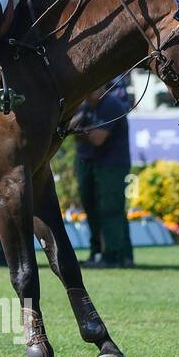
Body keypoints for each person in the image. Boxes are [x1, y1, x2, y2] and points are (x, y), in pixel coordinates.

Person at [72, 83, 134, 268]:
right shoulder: (85, 107)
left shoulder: (111, 104)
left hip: (111, 166)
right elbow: (68, 128)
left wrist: (79, 132)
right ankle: (98, 253)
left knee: (111, 210)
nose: (88, 93)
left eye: (92, 88)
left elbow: (98, 138)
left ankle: (115, 255)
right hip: (89, 163)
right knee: (91, 210)